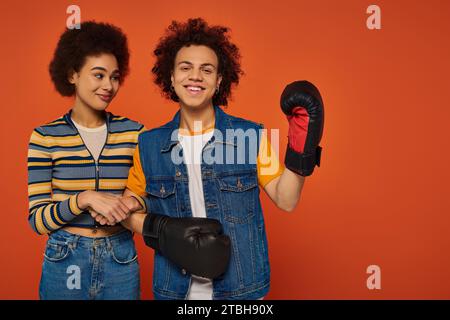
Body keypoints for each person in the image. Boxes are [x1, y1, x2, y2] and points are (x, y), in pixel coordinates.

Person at [121, 17, 324, 300]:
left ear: (218, 81)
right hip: (175, 292)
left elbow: (286, 199)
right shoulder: (149, 145)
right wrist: (164, 230)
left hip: (241, 292)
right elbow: (127, 211)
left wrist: (302, 149)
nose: (195, 76)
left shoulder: (248, 136)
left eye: (206, 70)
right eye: (185, 67)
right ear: (171, 76)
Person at [27, 21, 145, 300]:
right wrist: (83, 198)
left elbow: (152, 195)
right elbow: (37, 220)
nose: (109, 86)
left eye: (114, 77)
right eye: (98, 75)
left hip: (120, 257)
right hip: (64, 257)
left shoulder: (135, 133)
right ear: (72, 75)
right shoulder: (45, 137)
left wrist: (133, 202)